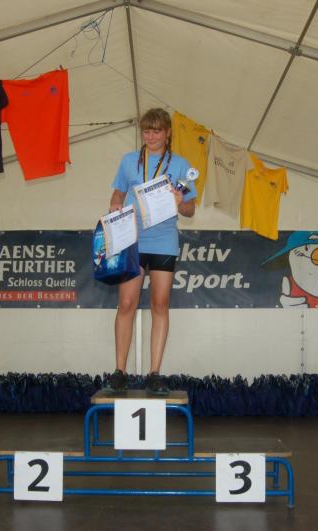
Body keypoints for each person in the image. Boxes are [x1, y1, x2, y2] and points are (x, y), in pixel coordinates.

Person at [107, 108, 196, 395]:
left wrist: (180, 202)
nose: (151, 136)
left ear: (167, 133)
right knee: (126, 304)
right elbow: (118, 192)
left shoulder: (180, 165)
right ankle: (119, 372)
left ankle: (154, 373)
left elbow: (190, 210)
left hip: (163, 241)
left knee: (160, 304)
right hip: (132, 239)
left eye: (157, 131)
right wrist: (115, 204)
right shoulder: (129, 161)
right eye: (147, 131)